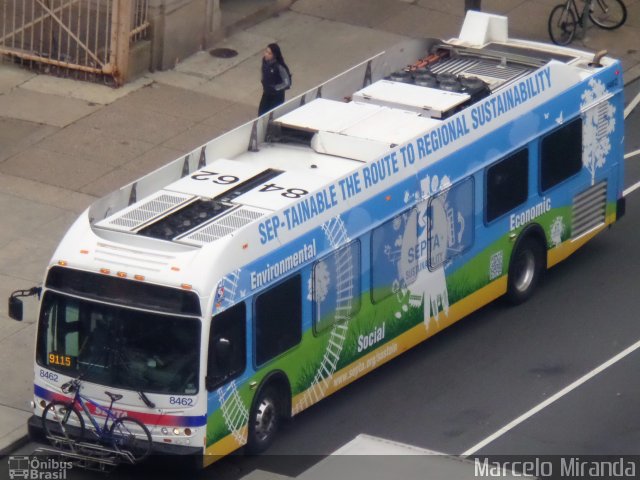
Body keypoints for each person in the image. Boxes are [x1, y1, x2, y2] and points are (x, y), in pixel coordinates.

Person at [258, 43, 291, 116]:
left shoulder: (279, 67)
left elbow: (287, 83)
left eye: (269, 53)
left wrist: (276, 88)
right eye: (266, 51)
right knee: (261, 114)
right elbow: (264, 72)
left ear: (274, 55)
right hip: (267, 93)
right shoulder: (264, 61)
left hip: (276, 97)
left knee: (273, 116)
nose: (266, 54)